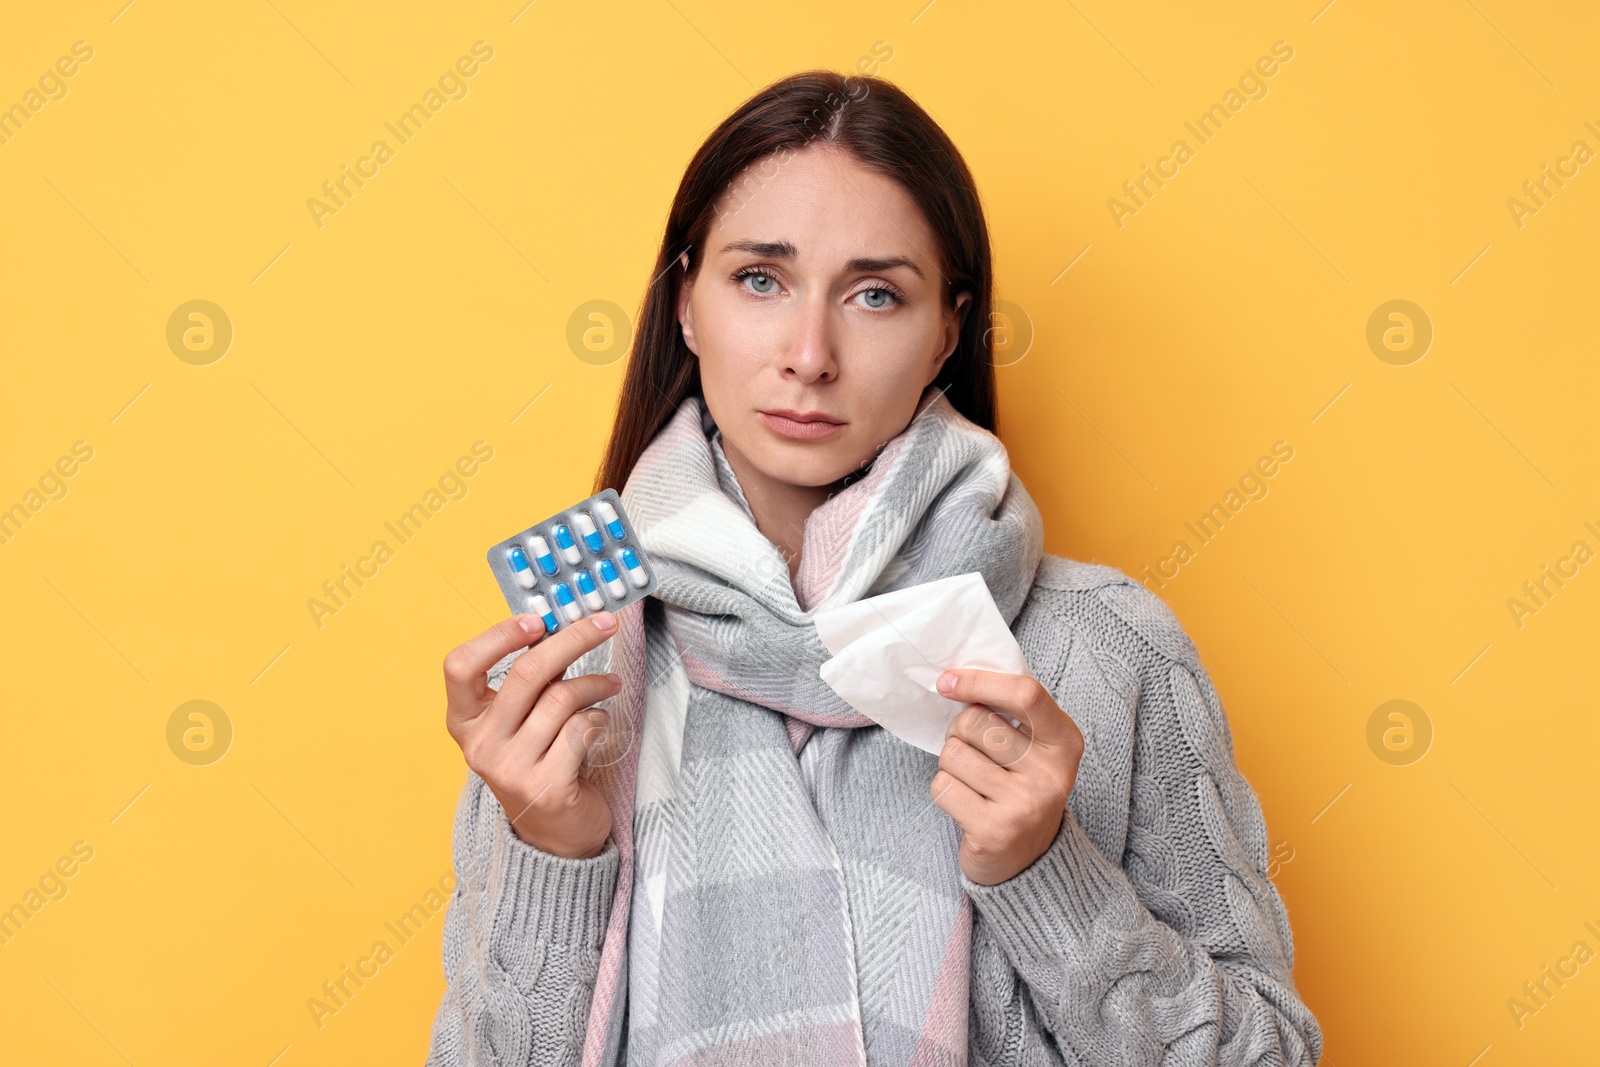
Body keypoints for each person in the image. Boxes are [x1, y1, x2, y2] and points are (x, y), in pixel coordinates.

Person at [426, 70, 1323, 1067]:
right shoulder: (570, 678)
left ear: (947, 329)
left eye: (875, 294)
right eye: (760, 279)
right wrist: (555, 852)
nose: (809, 353)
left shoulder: (1103, 649)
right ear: (685, 303)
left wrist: (1045, 876)